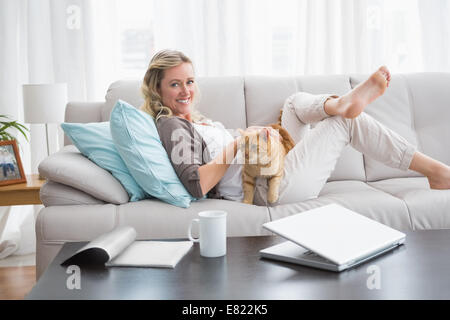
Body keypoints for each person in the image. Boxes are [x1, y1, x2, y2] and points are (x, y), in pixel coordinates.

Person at [140, 49, 450, 206]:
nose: (186, 91)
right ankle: (437, 172)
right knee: (344, 124)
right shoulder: (172, 125)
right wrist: (240, 144)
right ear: (157, 90)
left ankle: (339, 103)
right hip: (269, 188)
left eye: (190, 81)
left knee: (293, 104)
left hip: (270, 164)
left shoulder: (197, 120)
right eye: (175, 84)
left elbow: (230, 153)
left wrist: (260, 135)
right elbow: (196, 184)